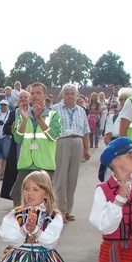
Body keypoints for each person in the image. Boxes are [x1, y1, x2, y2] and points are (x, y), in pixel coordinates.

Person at [10, 83, 61, 207]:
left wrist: (39, 119)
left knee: (44, 198)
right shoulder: (23, 114)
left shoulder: (53, 115)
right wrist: (25, 120)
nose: (35, 96)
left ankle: (43, 223)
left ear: (45, 96)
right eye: (32, 93)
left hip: (44, 164)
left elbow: (53, 135)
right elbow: (17, 138)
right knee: (18, 194)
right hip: (26, 163)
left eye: (38, 93)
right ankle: (19, 222)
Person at [51, 84, 90, 222]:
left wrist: (87, 148)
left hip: (77, 141)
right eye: (67, 93)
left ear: (76, 95)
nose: (70, 96)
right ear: (62, 95)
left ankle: (68, 210)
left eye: (72, 93)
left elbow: (86, 131)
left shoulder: (81, 110)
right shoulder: (55, 109)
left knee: (72, 178)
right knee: (60, 177)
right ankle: (59, 210)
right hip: (62, 141)